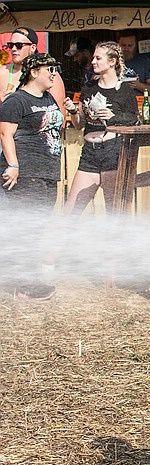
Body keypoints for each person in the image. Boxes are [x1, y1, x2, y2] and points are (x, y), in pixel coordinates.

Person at [0, 53, 65, 301]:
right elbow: (5, 135)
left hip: (47, 172)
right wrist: (13, 165)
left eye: (55, 68)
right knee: (26, 228)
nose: (53, 73)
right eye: (49, 68)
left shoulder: (47, 97)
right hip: (28, 173)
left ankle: (29, 279)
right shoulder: (16, 101)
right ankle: (24, 286)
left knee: (37, 228)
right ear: (33, 72)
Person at [63, 41, 139, 215]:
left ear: (112, 62)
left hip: (113, 153)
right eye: (94, 58)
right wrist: (73, 111)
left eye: (98, 58)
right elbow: (79, 124)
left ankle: (114, 242)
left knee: (115, 212)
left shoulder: (125, 91)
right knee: (70, 210)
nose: (93, 62)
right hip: (90, 153)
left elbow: (134, 120)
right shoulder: (89, 88)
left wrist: (114, 118)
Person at [0, 27, 66, 108]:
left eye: (19, 45)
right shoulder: (2, 73)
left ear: (33, 48)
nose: (13, 49)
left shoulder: (48, 73)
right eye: (10, 45)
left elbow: (60, 114)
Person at [117, 30, 150, 95]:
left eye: (130, 45)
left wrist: (138, 85)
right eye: (123, 45)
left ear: (135, 45)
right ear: (118, 44)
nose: (126, 49)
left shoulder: (143, 61)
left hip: (139, 102)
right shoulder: (112, 60)